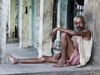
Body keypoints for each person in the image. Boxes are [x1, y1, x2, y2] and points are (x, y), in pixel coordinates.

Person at [7, 15, 93, 68]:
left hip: (79, 59)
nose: (78, 25)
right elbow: (68, 47)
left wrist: (57, 28)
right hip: (70, 57)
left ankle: (63, 62)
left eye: (80, 23)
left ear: (84, 23)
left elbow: (73, 32)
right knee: (44, 57)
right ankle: (16, 60)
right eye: (76, 23)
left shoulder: (86, 32)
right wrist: (60, 53)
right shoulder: (75, 36)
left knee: (64, 34)